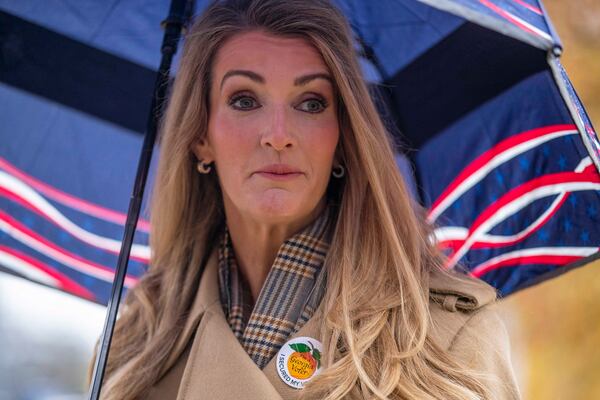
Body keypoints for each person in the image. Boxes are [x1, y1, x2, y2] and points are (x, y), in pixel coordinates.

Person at [88, 0, 521, 399]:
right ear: (202, 137)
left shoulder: (446, 340)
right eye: (244, 99)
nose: (278, 135)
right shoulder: (131, 352)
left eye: (311, 103)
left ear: (342, 136)